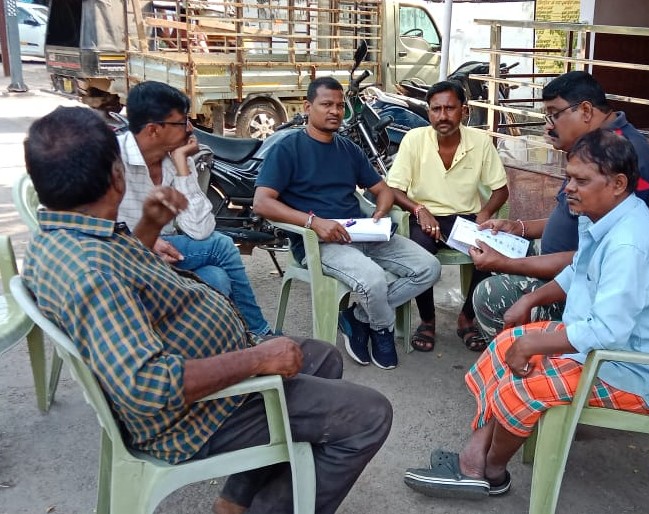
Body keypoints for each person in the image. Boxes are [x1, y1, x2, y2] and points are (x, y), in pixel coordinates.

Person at [22, 106, 393, 514]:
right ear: (116, 177)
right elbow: (149, 387)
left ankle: (235, 500)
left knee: (321, 357)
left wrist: (147, 227)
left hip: (200, 371)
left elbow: (129, 279)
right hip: (199, 415)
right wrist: (257, 358)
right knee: (370, 415)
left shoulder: (61, 234)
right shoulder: (90, 271)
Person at [403, 129, 649, 499]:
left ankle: (491, 472)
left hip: (637, 371)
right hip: (606, 350)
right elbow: (578, 272)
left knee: (523, 383)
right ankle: (474, 458)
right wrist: (530, 301)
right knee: (506, 345)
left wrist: (536, 342)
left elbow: (607, 330)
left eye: (581, 180)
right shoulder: (604, 218)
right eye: (568, 177)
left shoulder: (628, 243)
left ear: (618, 184)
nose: (569, 188)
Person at [471, 70, 649, 340]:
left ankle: (520, 356)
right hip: (578, 268)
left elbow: (596, 260)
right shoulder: (593, 151)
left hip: (608, 290)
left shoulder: (621, 159)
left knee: (492, 295)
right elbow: (576, 237)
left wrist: (509, 264)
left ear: (584, 110)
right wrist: (518, 227)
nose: (549, 126)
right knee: (490, 245)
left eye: (554, 114)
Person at [253, 76, 441, 370]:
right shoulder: (288, 148)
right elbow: (262, 202)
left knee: (429, 268)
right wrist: (314, 223)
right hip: (319, 242)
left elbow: (382, 190)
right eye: (326, 104)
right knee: (374, 279)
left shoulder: (348, 148)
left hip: (362, 232)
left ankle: (359, 318)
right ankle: (383, 329)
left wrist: (380, 211)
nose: (335, 111)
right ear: (307, 106)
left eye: (340, 106)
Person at [117, 81, 274, 337]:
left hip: (166, 255)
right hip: (123, 257)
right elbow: (88, 225)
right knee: (221, 245)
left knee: (216, 279)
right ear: (153, 130)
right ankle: (260, 332)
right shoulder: (112, 158)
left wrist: (181, 165)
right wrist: (146, 241)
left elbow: (201, 230)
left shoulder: (176, 157)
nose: (190, 128)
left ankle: (216, 346)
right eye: (182, 122)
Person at [387, 80, 509, 352]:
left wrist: (485, 213)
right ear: (428, 112)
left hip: (465, 218)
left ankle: (467, 318)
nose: (443, 116)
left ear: (464, 111)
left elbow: (501, 190)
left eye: (450, 108)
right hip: (425, 216)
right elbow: (393, 188)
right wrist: (419, 210)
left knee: (490, 252)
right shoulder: (414, 139)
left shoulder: (479, 142)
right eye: (436, 109)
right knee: (420, 255)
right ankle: (427, 320)